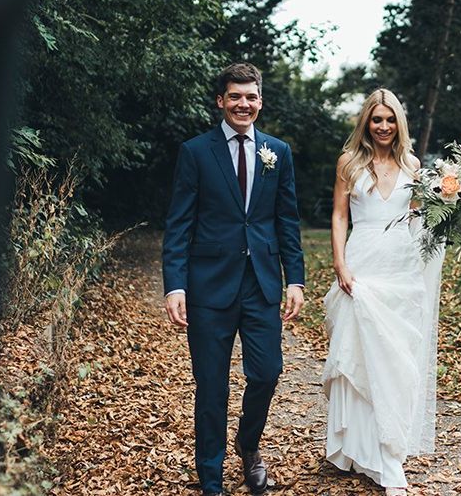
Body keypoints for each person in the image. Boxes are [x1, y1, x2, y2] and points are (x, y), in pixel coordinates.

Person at [162, 62, 305, 496]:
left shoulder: (277, 152)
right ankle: (210, 478)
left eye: (251, 97)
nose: (244, 104)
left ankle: (248, 445)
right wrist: (175, 285)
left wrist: (294, 279)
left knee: (267, 372)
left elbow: (287, 220)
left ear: (260, 101)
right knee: (211, 385)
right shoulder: (196, 152)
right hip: (208, 287)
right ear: (221, 101)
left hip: (261, 284)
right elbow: (179, 223)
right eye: (236, 97)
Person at [322, 88, 444, 496]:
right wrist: (340, 263)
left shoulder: (412, 164)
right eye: (377, 120)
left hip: (402, 267)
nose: (384, 127)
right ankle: (365, 453)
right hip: (362, 264)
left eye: (390, 120)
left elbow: (419, 220)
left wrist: (452, 209)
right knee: (360, 353)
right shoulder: (348, 163)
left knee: (395, 359)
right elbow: (340, 215)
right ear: (366, 123)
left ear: (399, 124)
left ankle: (389, 450)